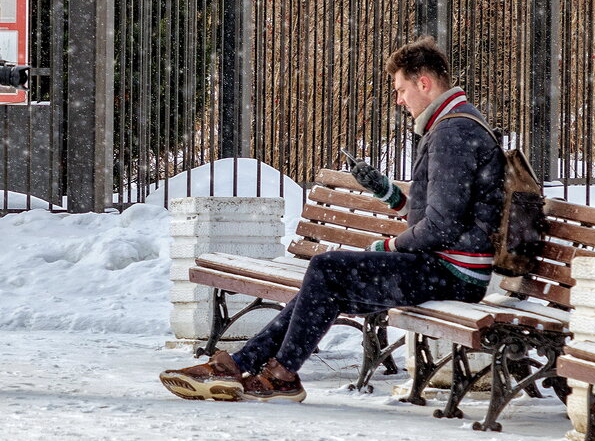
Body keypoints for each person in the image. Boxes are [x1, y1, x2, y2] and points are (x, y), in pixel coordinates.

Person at [159, 36, 504, 402]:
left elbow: (443, 226)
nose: (399, 100)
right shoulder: (454, 124)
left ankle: (276, 373)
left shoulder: (453, 131)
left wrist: (388, 245)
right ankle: (250, 365)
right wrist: (390, 194)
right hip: (447, 267)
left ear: (424, 82)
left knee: (327, 270)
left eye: (402, 89)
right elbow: (446, 214)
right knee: (326, 280)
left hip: (453, 274)